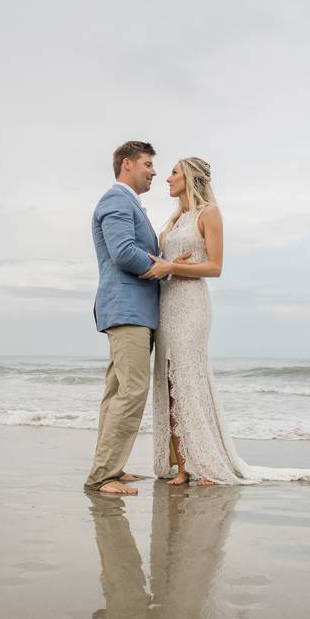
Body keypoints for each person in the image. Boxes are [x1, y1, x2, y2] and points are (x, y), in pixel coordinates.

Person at [140, 157, 310, 485]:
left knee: (189, 382)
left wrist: (172, 268)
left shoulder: (209, 213)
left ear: (190, 177)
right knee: (169, 383)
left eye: (174, 173)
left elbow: (215, 267)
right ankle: (183, 466)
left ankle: (207, 464)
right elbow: (167, 264)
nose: (167, 179)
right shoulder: (175, 218)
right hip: (167, 303)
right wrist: (166, 266)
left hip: (191, 306)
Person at [84, 141, 183, 495]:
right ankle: (102, 477)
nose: (154, 171)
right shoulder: (115, 200)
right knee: (132, 390)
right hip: (127, 309)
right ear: (127, 165)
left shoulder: (130, 204)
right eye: (148, 164)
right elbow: (124, 252)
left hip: (135, 309)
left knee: (117, 393)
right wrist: (166, 269)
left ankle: (110, 468)